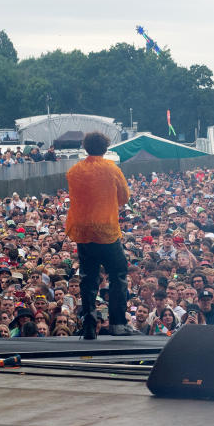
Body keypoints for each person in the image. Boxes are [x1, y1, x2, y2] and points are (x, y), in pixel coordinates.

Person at [65, 131, 136, 339]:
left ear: (85, 147)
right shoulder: (111, 169)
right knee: (119, 273)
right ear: (105, 148)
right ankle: (117, 323)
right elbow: (124, 198)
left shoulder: (74, 171)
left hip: (82, 231)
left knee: (88, 277)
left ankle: (88, 325)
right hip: (106, 230)